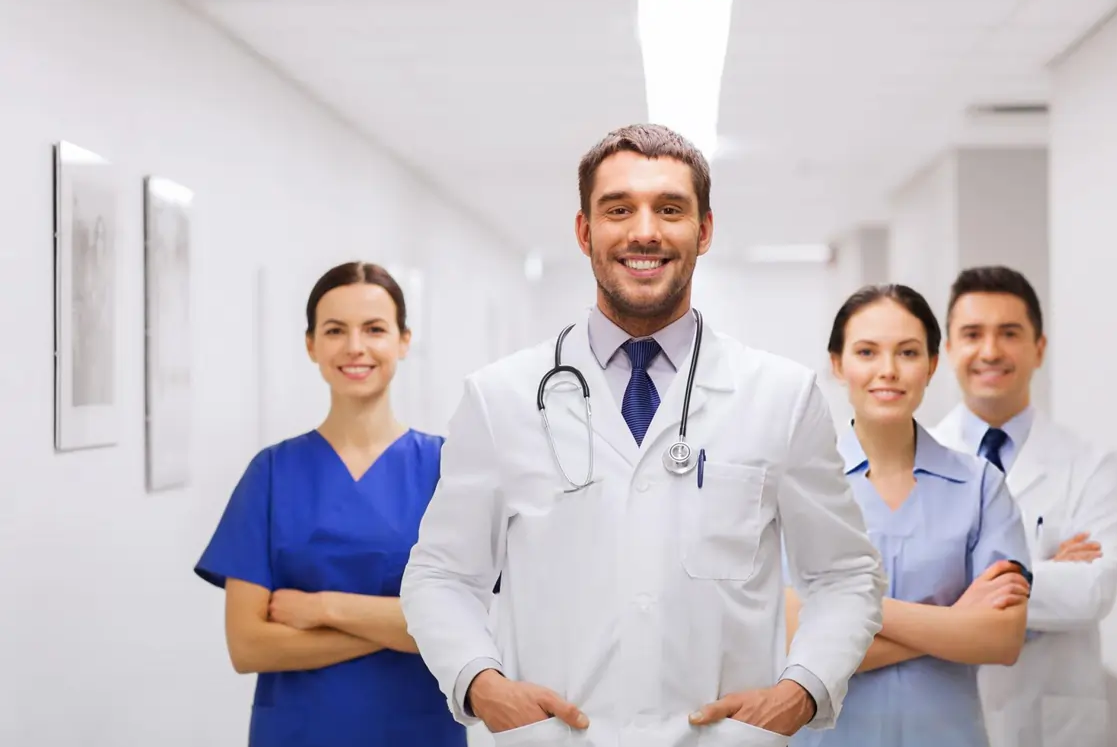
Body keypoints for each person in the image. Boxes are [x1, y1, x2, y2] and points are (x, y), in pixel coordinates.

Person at [400, 123, 887, 747]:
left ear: (704, 230)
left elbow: (845, 575)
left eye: (670, 209)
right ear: (584, 232)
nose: (645, 231)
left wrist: (800, 692)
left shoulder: (781, 396)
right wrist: (482, 685)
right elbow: (441, 575)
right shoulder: (502, 397)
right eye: (619, 209)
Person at [194, 261, 466, 747]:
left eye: (375, 329)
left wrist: (323, 607)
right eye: (335, 330)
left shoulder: (450, 470)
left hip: (416, 730)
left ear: (404, 341)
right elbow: (248, 645)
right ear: (311, 345)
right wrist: (406, 629)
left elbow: (470, 625)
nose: (355, 347)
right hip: (298, 732)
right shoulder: (272, 474)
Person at [783, 284, 1033, 747]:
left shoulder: (980, 487)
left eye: (908, 352)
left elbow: (1002, 639)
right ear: (837, 364)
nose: (888, 371)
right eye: (866, 351)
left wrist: (838, 611)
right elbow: (789, 637)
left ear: (932, 365)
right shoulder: (797, 482)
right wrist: (955, 622)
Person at [931, 266, 1117, 747]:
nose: (991, 351)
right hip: (941, 711)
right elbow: (895, 593)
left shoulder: (1089, 463)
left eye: (1010, 333)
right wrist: (1039, 573)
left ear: (1039, 348)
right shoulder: (917, 457)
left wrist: (962, 587)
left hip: (1050, 717)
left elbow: (1092, 592)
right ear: (950, 349)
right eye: (973, 334)